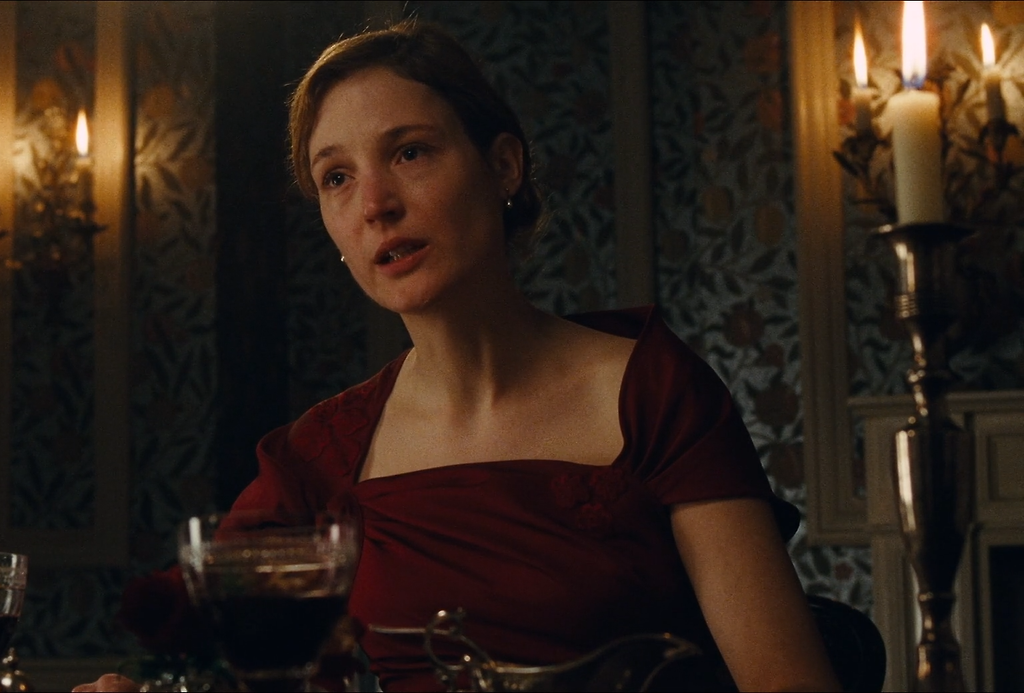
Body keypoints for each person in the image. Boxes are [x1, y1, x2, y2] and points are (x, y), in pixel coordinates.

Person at [76, 19, 839, 693]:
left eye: (409, 152)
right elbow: (177, 620)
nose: (374, 203)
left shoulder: (652, 389)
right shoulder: (325, 451)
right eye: (336, 177)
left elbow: (788, 679)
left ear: (503, 166)